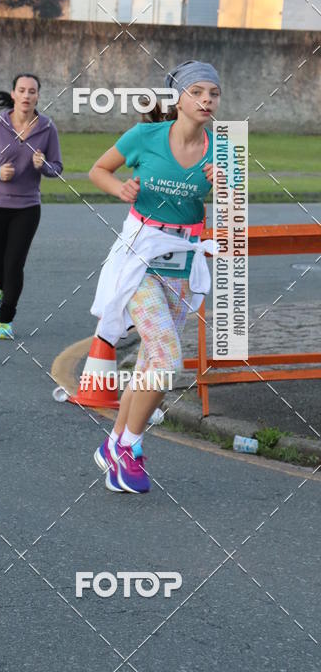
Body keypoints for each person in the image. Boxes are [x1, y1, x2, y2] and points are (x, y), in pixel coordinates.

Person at [89, 60, 223, 493]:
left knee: (149, 363)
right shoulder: (144, 137)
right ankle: (130, 447)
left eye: (213, 93)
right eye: (198, 91)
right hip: (141, 256)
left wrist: (223, 187)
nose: (206, 100)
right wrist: (120, 188)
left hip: (184, 261)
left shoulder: (221, 149)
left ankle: (113, 445)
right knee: (166, 360)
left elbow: (235, 207)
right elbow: (98, 170)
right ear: (178, 98)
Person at [0, 73, 63, 340]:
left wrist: (43, 166)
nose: (27, 95)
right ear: (13, 94)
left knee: (14, 264)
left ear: (38, 96)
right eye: (22, 90)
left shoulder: (47, 129)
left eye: (32, 91)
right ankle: (0, 286)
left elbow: (57, 168)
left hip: (27, 208)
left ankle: (5, 320)